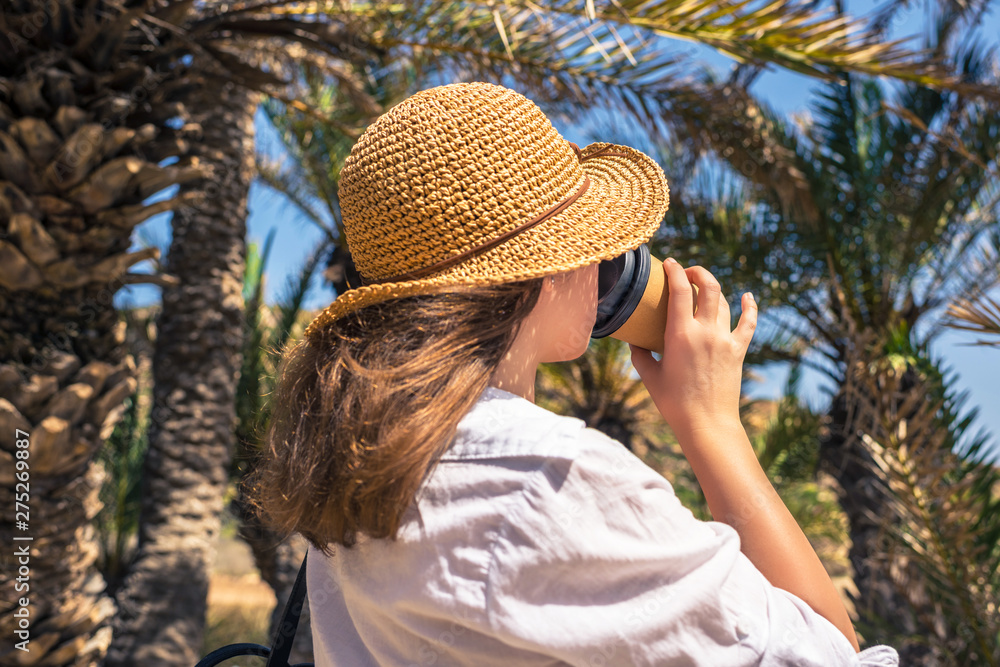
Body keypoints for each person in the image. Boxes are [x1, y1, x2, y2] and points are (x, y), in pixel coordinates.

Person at [244, 81, 899, 666]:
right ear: (547, 269)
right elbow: (830, 654)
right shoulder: (544, 477)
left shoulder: (363, 460)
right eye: (596, 243)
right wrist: (714, 425)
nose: (605, 263)